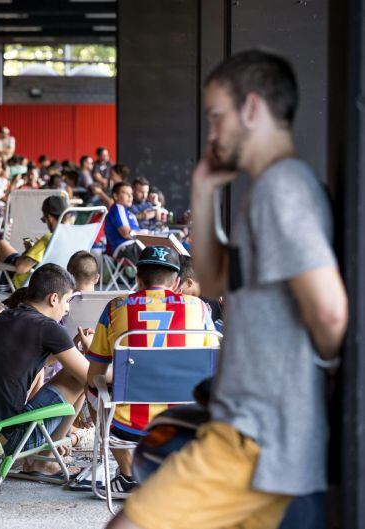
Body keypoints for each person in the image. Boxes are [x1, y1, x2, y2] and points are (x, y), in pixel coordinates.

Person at [106, 50, 349, 529]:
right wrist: (204, 188)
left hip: (253, 434)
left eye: (217, 117)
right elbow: (216, 282)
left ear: (253, 108)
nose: (212, 133)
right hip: (263, 433)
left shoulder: (284, 189)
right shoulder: (266, 190)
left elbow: (330, 316)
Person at [75, 246, 216, 496]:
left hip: (127, 427)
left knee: (95, 388)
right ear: (177, 283)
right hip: (185, 422)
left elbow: (93, 375)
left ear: (138, 278)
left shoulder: (116, 307)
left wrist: (126, 376)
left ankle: (128, 476)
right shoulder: (200, 308)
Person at [0, 264, 88, 474]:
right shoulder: (49, 328)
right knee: (77, 378)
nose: (68, 308)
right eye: (67, 300)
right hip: (4, 444)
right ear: (53, 299)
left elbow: (26, 362)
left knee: (71, 371)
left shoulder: (2, 318)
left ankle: (43, 458)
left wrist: (72, 349)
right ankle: (45, 461)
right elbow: (92, 376)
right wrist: (91, 352)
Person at [0, 195, 68, 288]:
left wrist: (29, 251)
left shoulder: (49, 239)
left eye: (44, 219)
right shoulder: (71, 235)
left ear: (50, 218)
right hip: (58, 284)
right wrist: (33, 250)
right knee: (0, 243)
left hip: (26, 282)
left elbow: (21, 268)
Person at [104, 181, 143, 263]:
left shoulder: (127, 212)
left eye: (131, 194)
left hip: (132, 246)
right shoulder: (118, 208)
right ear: (115, 196)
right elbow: (126, 233)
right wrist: (149, 237)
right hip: (124, 248)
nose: (130, 196)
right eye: (126, 193)